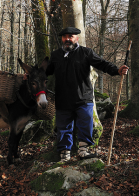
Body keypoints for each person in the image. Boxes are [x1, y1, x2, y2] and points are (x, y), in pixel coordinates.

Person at [46, 27, 129, 161]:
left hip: (83, 98)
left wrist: (117, 70)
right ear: (62, 39)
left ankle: (83, 151)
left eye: (71, 36)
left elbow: (102, 64)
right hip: (63, 99)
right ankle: (65, 154)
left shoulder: (86, 53)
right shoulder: (56, 55)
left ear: (76, 38)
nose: (67, 39)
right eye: (65, 37)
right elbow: (46, 71)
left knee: (85, 124)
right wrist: (31, 74)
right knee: (63, 127)